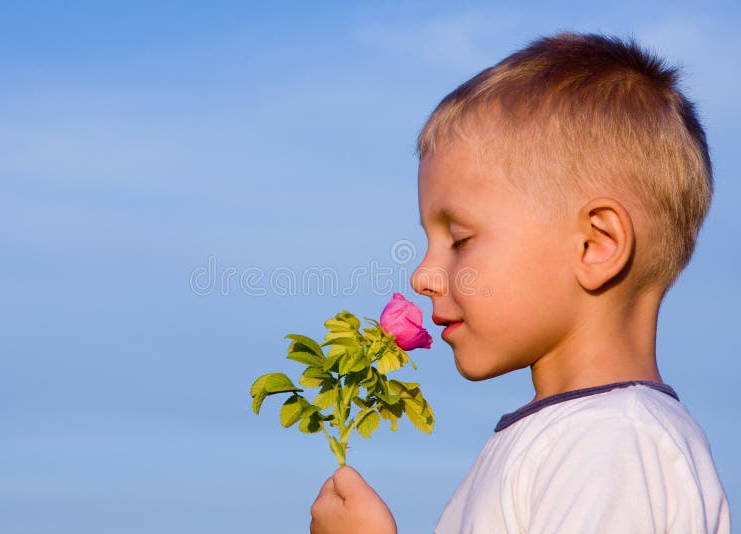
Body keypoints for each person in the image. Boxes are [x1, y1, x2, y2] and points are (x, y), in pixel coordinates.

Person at [309, 32, 731, 533]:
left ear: (594, 245)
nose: (422, 276)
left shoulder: (611, 443)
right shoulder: (575, 436)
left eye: (460, 239)